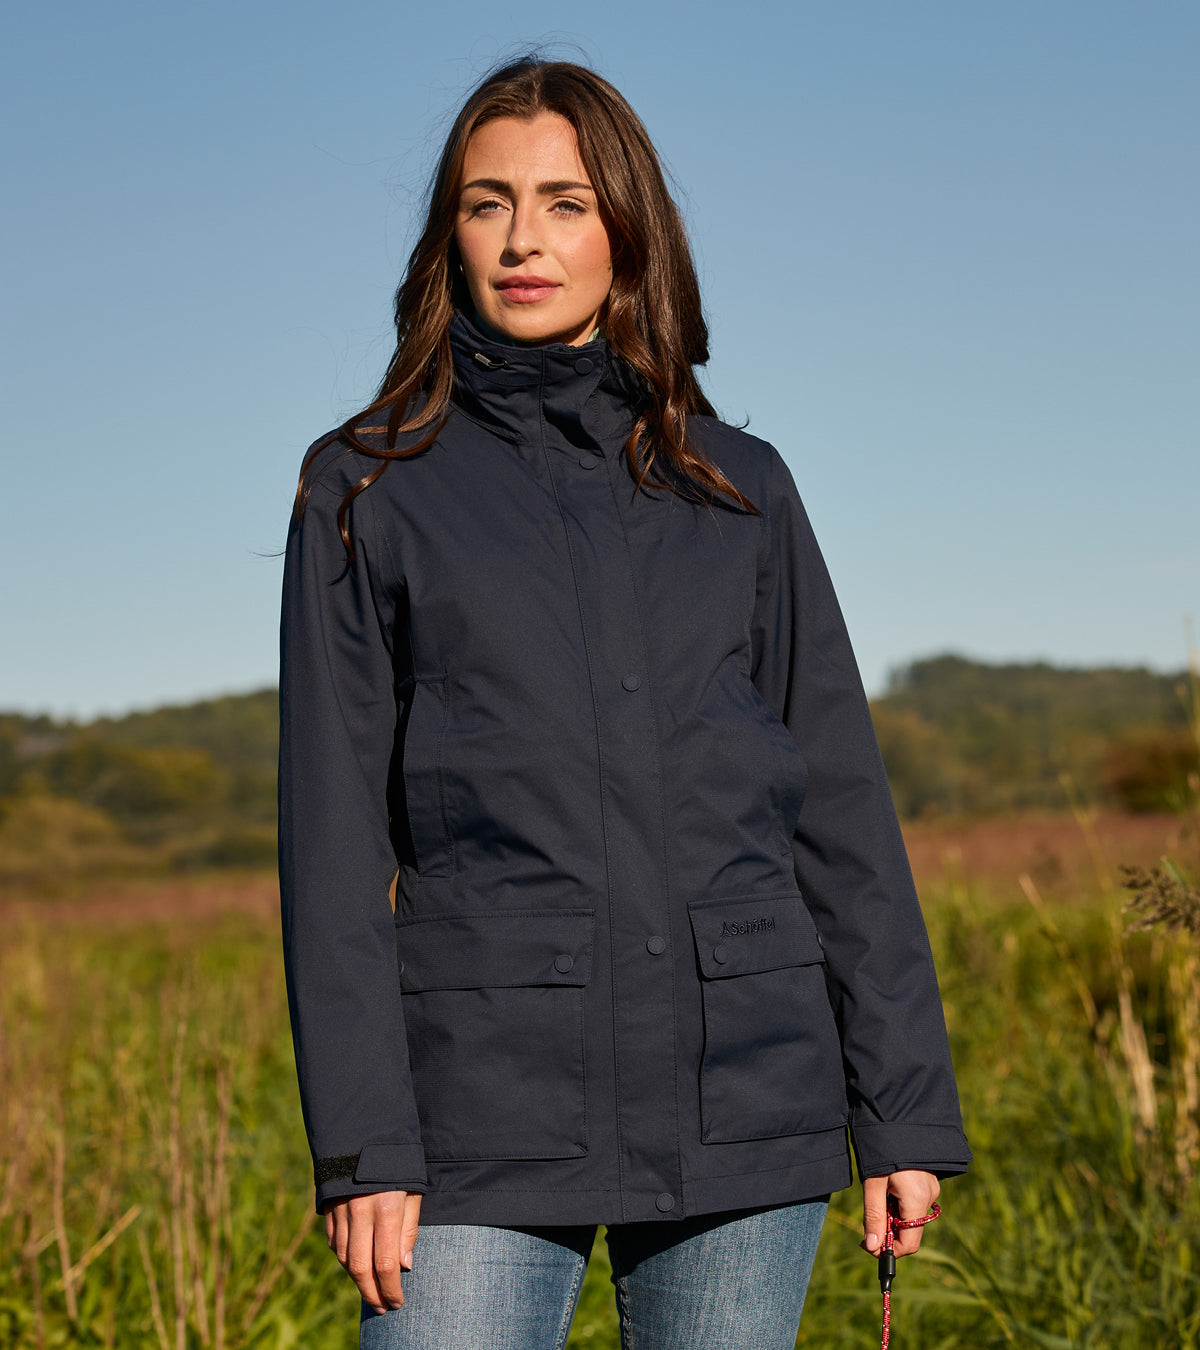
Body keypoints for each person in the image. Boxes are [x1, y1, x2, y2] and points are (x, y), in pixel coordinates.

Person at [278, 56, 971, 1350]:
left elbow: (840, 814)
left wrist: (903, 1109)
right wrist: (363, 1141)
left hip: (745, 1092)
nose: (522, 240)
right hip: (477, 1107)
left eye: (565, 203)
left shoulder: (740, 487)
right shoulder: (367, 486)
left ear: (629, 232)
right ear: (448, 236)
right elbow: (330, 845)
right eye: (487, 203)